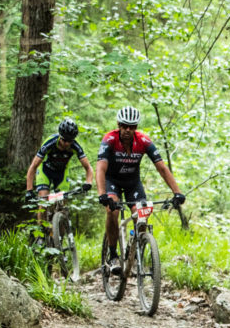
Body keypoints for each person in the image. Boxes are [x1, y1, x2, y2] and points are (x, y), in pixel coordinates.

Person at [97, 106, 185, 275]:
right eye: (124, 126)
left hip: (132, 183)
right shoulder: (109, 140)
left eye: (132, 126)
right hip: (112, 181)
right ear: (119, 125)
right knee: (113, 211)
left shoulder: (144, 141)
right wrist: (102, 194)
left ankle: (137, 250)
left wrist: (177, 192)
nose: (128, 130)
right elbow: (100, 169)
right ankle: (113, 254)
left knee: (142, 215)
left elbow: (162, 168)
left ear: (136, 127)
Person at [25, 117, 94, 212]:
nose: (66, 143)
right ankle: (41, 226)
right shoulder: (50, 143)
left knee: (63, 203)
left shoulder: (75, 146)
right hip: (46, 170)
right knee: (43, 200)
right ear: (60, 136)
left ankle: (59, 223)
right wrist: (29, 190)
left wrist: (88, 183)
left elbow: (88, 167)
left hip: (61, 173)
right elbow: (33, 166)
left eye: (70, 141)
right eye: (64, 140)